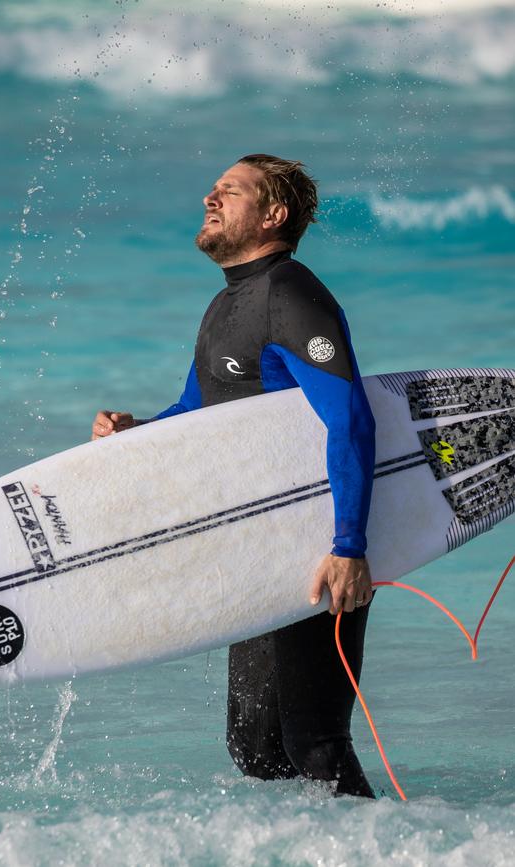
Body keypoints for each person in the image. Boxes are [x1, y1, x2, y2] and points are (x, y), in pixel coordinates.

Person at [91, 154, 376, 797]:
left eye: (229, 191)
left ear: (273, 214)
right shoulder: (227, 305)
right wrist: (134, 434)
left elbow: (350, 419)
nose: (208, 198)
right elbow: (197, 412)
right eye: (213, 190)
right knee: (255, 748)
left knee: (315, 742)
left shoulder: (291, 294)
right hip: (258, 553)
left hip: (317, 549)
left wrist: (349, 547)